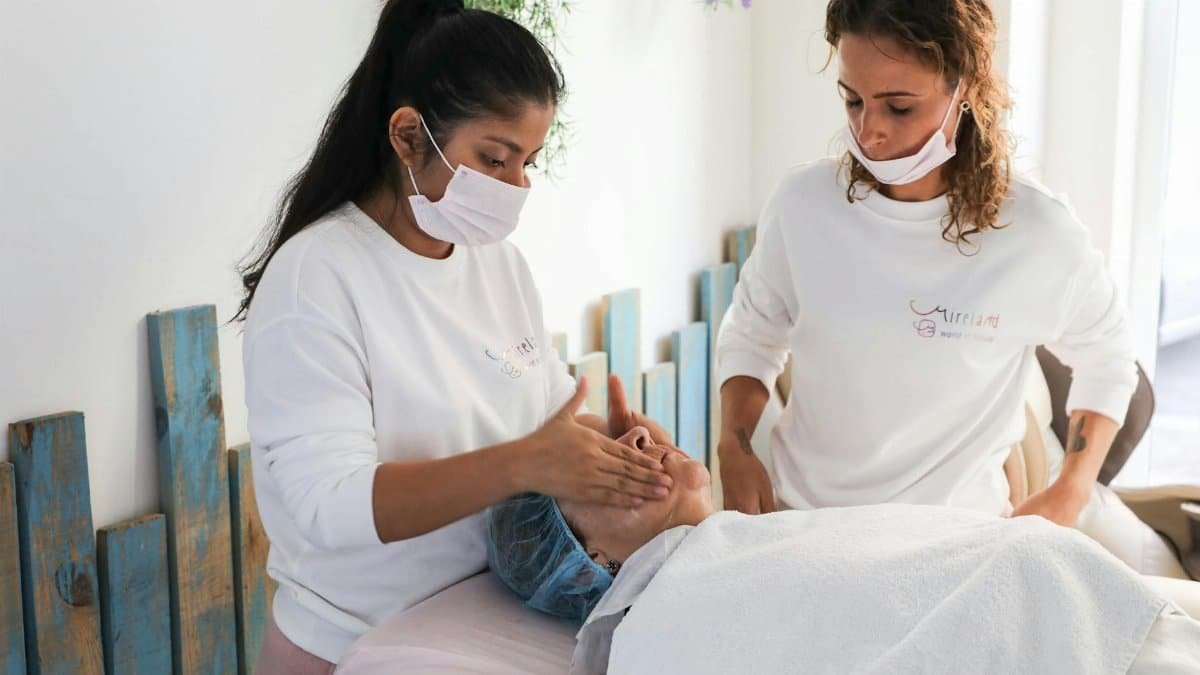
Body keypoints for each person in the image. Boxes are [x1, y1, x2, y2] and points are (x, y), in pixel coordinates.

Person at [238, 1, 670, 669]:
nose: (518, 185)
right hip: (353, 645)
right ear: (408, 136)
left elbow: (543, 417)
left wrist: (615, 449)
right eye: (495, 159)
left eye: (529, 160)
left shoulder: (497, 264)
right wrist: (526, 461)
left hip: (475, 624)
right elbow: (330, 504)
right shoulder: (316, 278)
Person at [716, 0, 1136, 528]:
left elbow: (1110, 354)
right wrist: (734, 448)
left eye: (898, 107)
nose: (869, 132)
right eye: (852, 101)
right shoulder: (803, 205)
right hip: (805, 529)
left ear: (965, 90)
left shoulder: (1036, 233)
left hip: (958, 544)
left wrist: (1072, 491)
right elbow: (751, 336)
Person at [488, 433, 1200, 674]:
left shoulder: (728, 547)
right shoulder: (658, 629)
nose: (638, 442)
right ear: (593, 559)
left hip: (1085, 606)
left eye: (618, 437)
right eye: (603, 470)